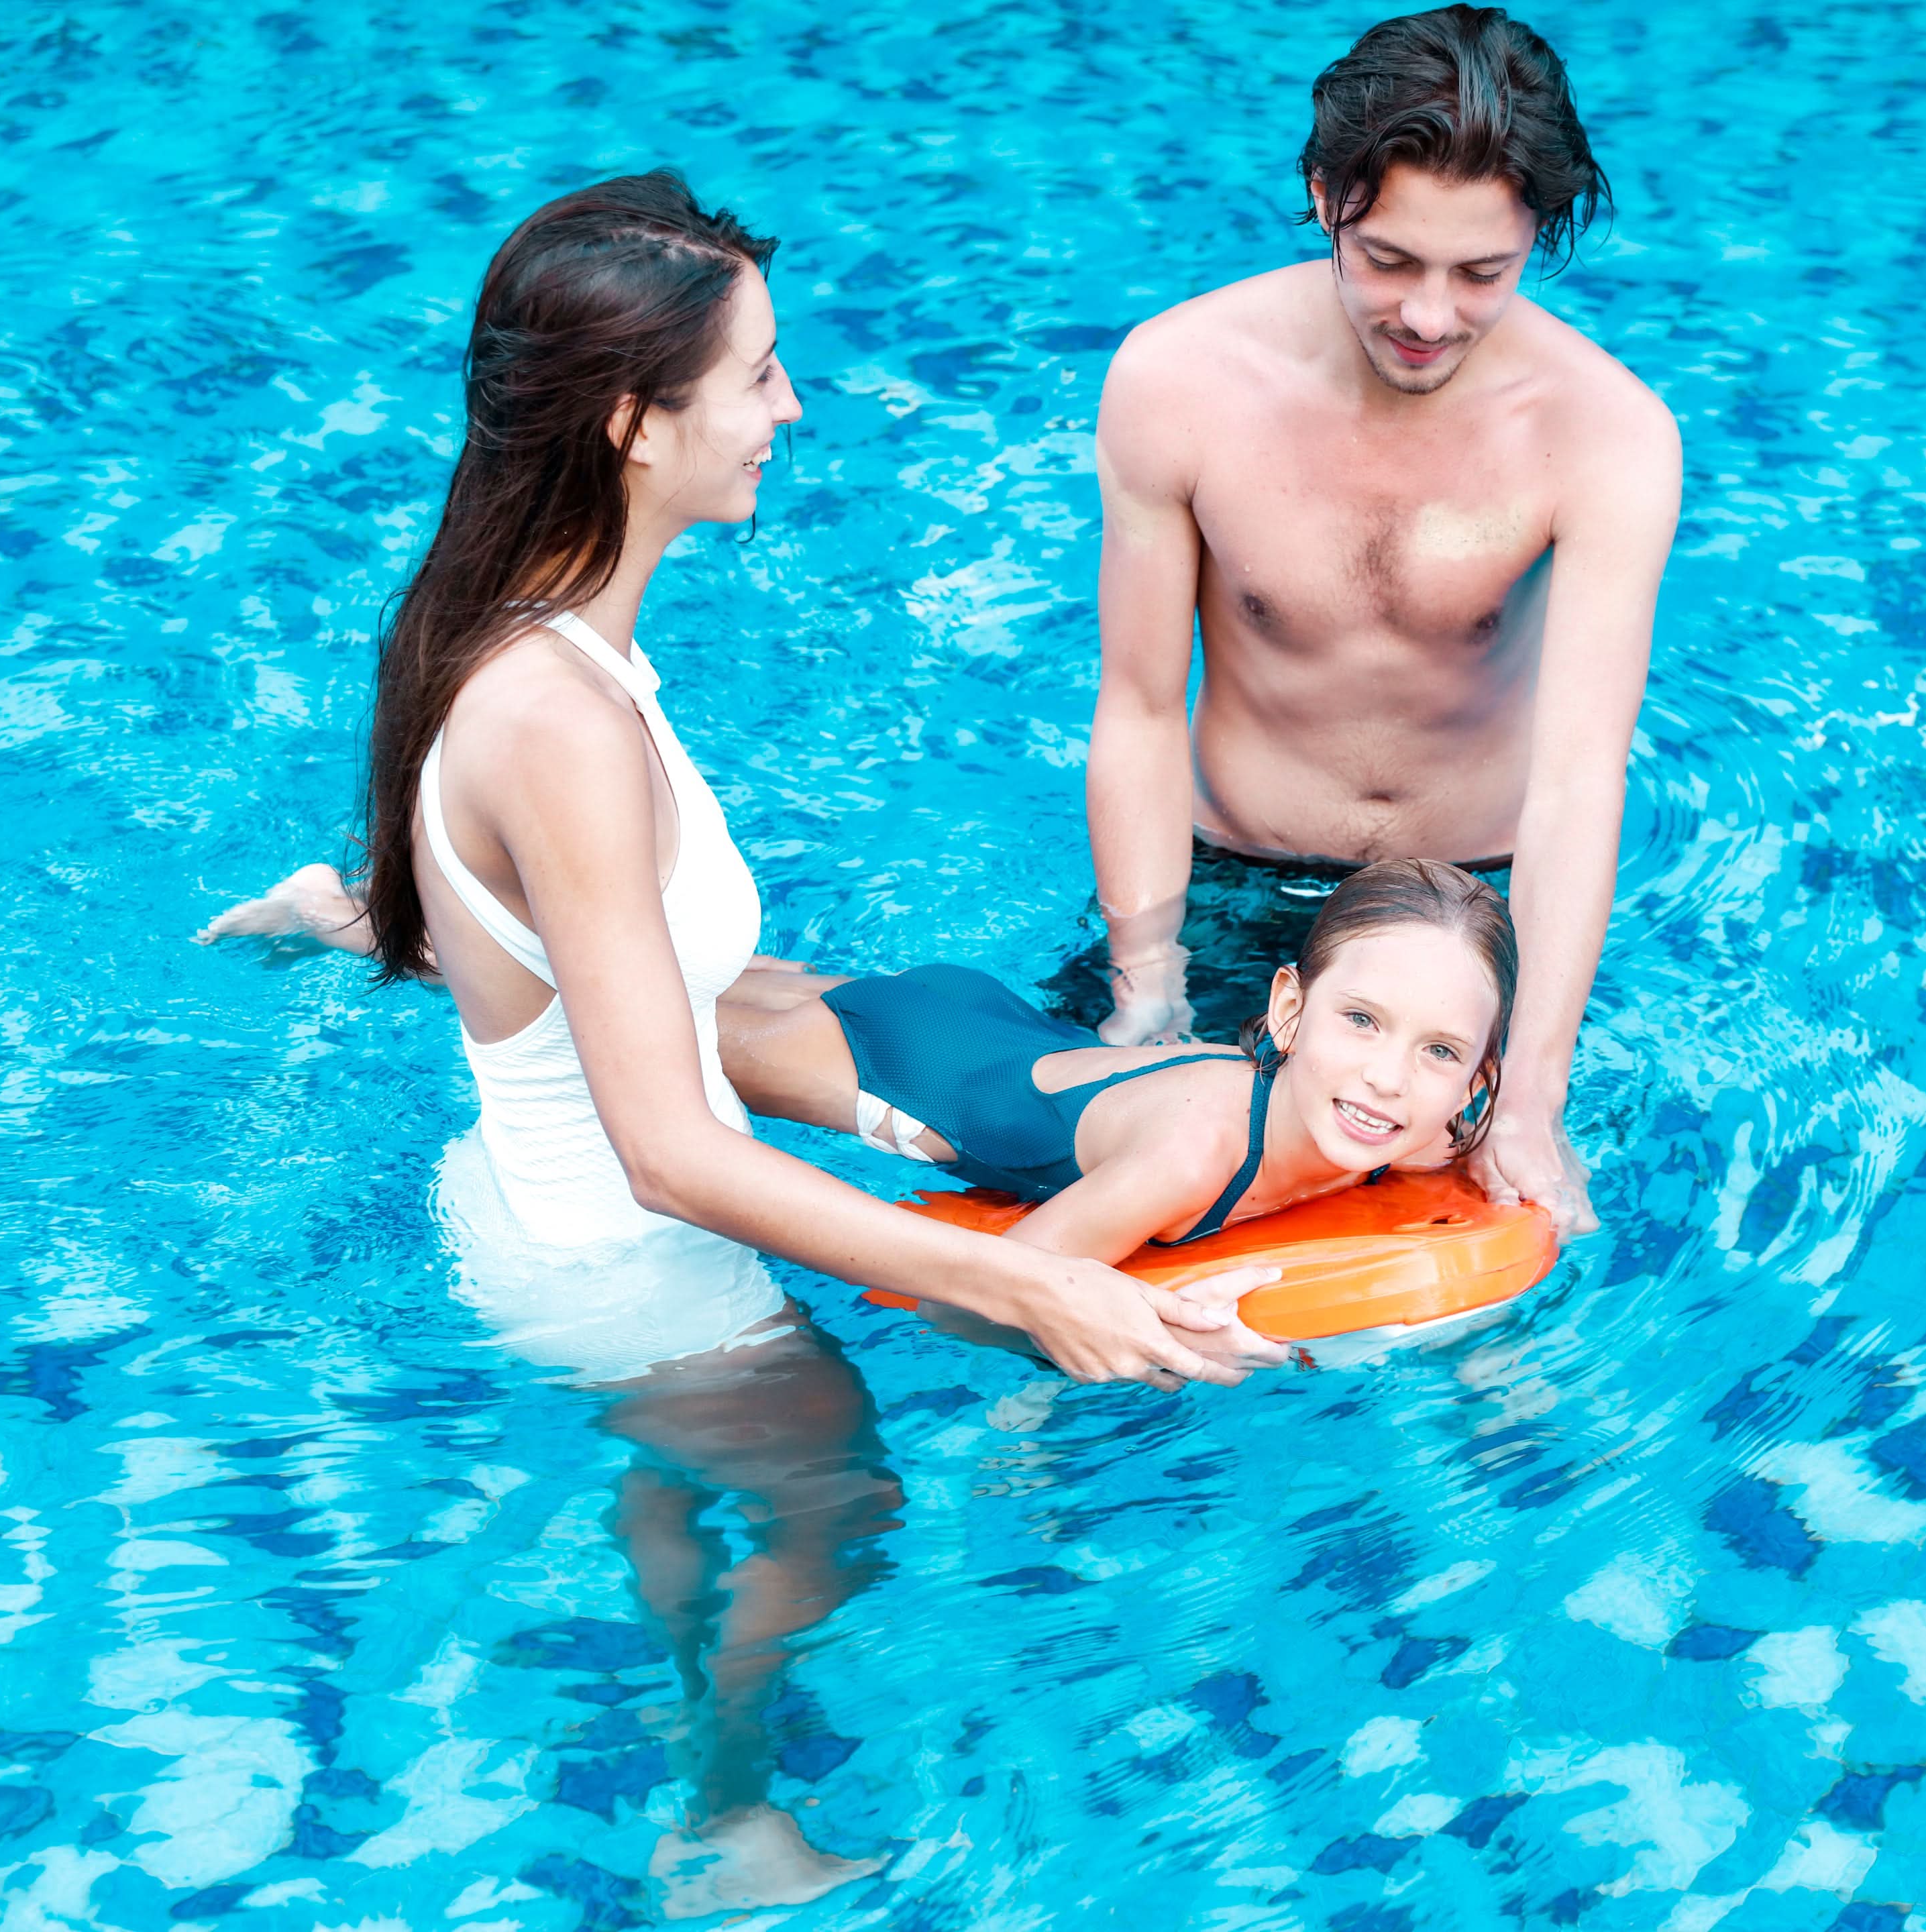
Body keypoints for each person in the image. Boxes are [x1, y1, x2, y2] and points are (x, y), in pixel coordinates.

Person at [311, 172, 1279, 1911]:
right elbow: (673, 1143)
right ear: (631, 421)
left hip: (545, 1215)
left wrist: (358, 912)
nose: (792, 408)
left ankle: (673, 1648)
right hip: (623, 1257)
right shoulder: (561, 719)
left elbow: (538, 947)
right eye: (757, 374)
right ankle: (723, 1820)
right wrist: (1020, 1284)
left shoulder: (535, 647)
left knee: (696, 1477)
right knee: (847, 1497)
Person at [1077, 5, 1682, 1242]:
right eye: (1391, 260)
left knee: (1514, 1247)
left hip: (1473, 908)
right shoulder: (1177, 380)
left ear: (1538, 240)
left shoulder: (1607, 433)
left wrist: (1531, 1093)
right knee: (1106, 1208)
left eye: (1483, 274)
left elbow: (1578, 780)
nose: (1429, 315)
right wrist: (1150, 988)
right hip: (1231, 887)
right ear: (1325, 196)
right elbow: (1138, 709)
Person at [719, 861, 1515, 1313]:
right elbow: (976, 1297)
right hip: (911, 1075)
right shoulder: (1189, 1163)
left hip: (1006, 1027)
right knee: (639, 1018)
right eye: (1363, 1020)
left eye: (1440, 1051)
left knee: (721, 975)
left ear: (1477, 1081)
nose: (1389, 1078)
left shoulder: (1422, 1133)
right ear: (1288, 1011)